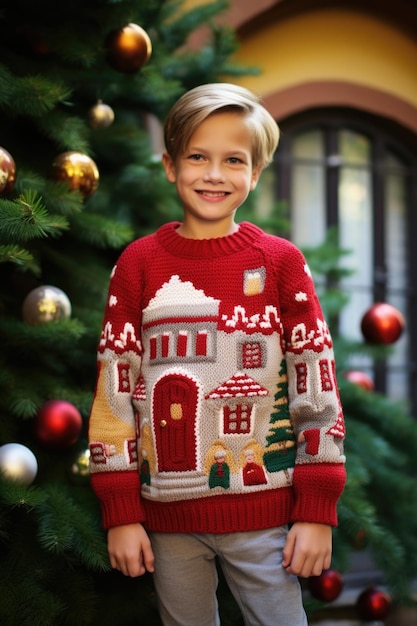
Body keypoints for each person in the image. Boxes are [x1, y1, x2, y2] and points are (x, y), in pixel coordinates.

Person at [88, 83, 346, 626]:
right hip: (166, 520)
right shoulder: (138, 265)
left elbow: (313, 379)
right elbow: (114, 392)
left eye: (233, 160)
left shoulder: (279, 264)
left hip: (267, 519)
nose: (213, 174)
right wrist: (121, 513)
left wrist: (317, 508)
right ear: (169, 166)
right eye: (197, 156)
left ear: (254, 174)